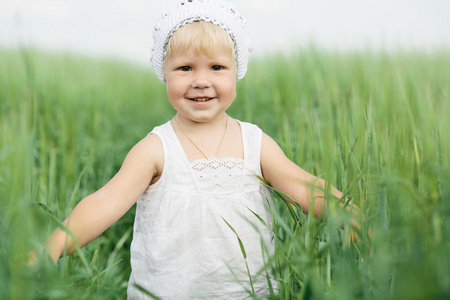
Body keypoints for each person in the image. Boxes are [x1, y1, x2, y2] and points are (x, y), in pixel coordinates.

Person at [34, 0, 367, 299]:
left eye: (216, 67)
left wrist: (347, 210)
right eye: (185, 68)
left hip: (247, 293)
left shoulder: (255, 143)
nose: (201, 80)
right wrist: (52, 246)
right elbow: (105, 202)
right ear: (164, 73)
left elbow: (302, 185)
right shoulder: (156, 149)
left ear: (237, 72)